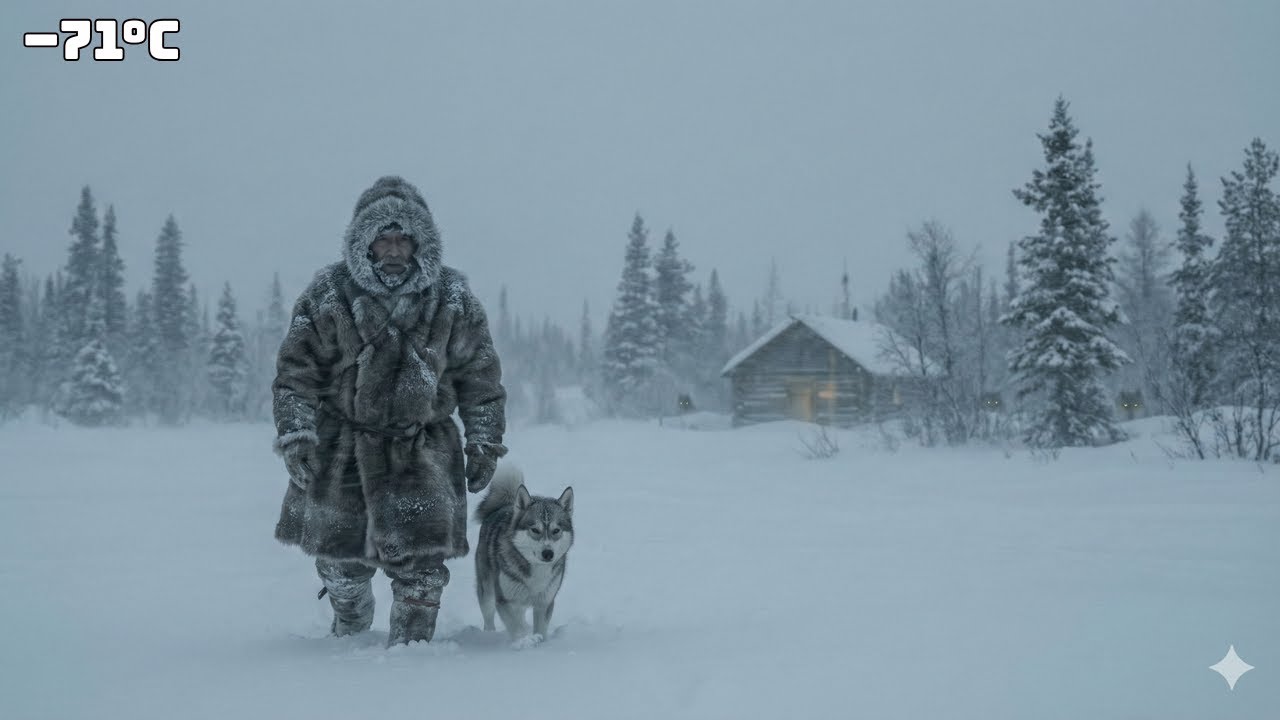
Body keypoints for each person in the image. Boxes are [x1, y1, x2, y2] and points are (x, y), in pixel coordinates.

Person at [270, 175, 507, 646]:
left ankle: (411, 660)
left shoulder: (453, 299)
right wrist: (297, 436)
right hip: (343, 451)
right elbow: (295, 374)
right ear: (365, 242)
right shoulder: (327, 296)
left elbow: (480, 379)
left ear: (421, 242)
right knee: (342, 566)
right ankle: (351, 627)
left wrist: (483, 442)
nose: (394, 248)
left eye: (404, 238)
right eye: (384, 238)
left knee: (421, 572)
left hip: (423, 453)